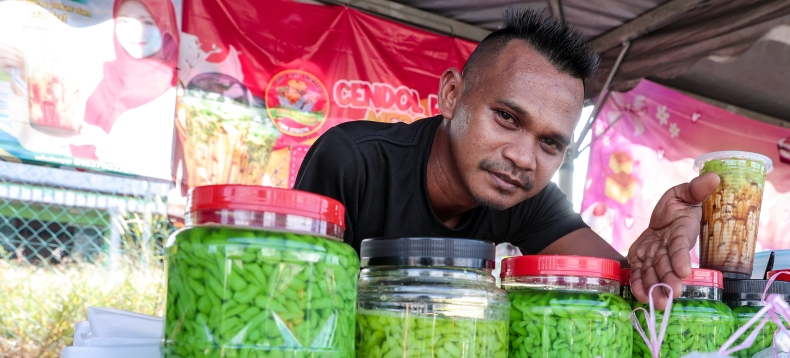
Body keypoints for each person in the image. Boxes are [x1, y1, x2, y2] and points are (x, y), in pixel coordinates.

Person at [295, 7, 718, 305]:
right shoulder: (353, 161)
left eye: (550, 143)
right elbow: (296, 306)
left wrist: (645, 263)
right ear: (452, 95)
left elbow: (617, 287)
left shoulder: (526, 196)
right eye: (507, 118)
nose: (523, 158)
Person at [70, 0, 179, 175]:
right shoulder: (100, 77)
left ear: (165, 25)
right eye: (124, 21)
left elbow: (166, 172)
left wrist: (107, 147)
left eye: (148, 22)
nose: (136, 33)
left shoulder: (179, 92)